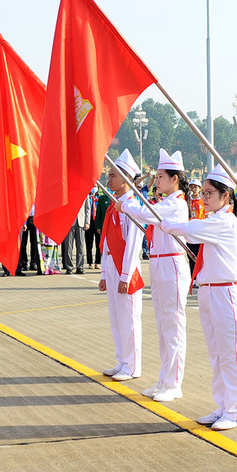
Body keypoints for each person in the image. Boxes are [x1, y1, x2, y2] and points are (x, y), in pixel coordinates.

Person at [158, 163, 237, 431]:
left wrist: (167, 223)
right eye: (203, 193)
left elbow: (189, 229)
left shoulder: (224, 222)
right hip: (209, 292)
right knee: (216, 354)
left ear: (225, 196)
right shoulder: (213, 220)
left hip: (225, 292)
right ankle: (223, 405)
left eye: (209, 193)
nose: (203, 197)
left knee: (230, 355)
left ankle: (235, 409)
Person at [121, 149, 192, 403]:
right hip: (159, 265)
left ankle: (174, 383)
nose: (157, 180)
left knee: (172, 327)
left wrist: (128, 204)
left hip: (172, 265)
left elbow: (148, 213)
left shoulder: (177, 203)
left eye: (161, 176)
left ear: (175, 179)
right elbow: (148, 212)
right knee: (163, 327)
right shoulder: (165, 201)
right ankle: (164, 379)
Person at [98, 150, 145, 382]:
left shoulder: (132, 206)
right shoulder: (115, 204)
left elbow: (133, 245)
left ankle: (133, 365)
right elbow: (107, 240)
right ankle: (122, 360)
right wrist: (104, 273)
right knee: (116, 317)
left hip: (127, 269)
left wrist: (125, 276)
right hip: (113, 266)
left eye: (113, 175)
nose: (109, 179)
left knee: (129, 318)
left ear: (126, 179)